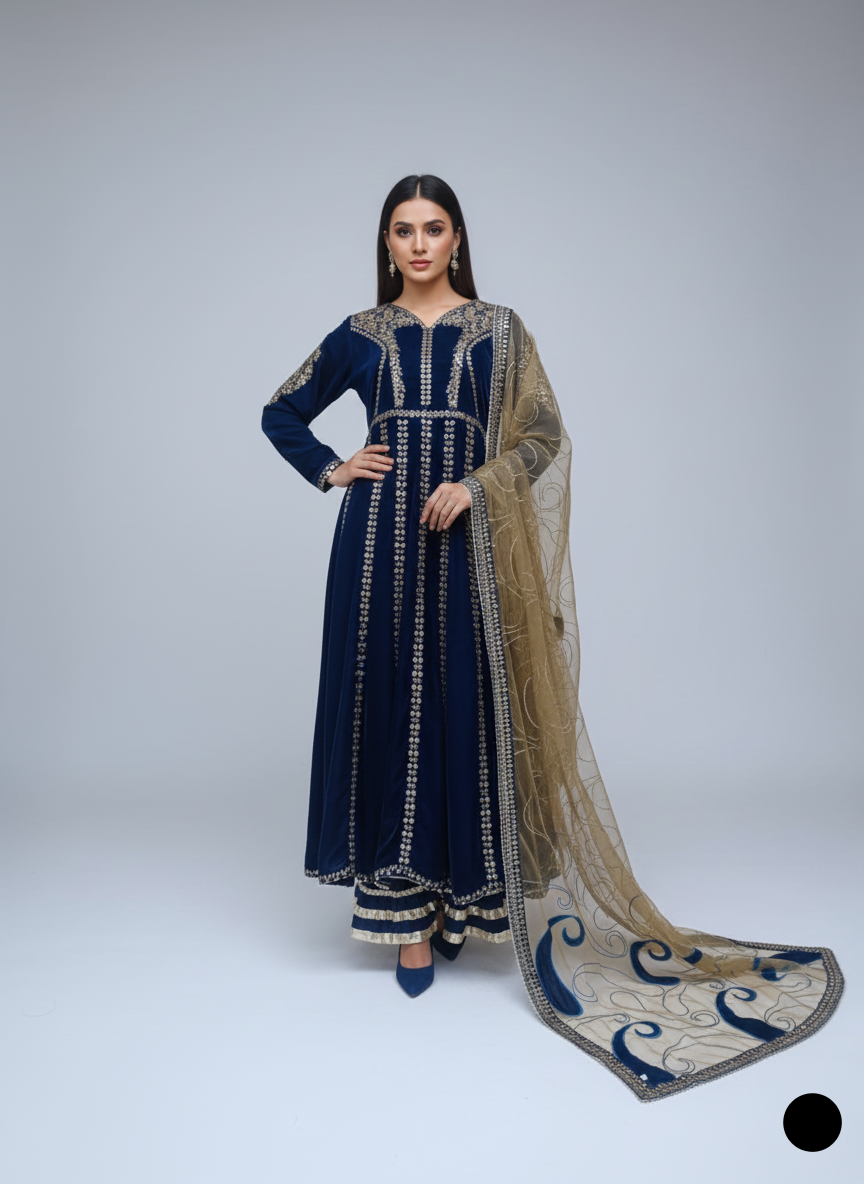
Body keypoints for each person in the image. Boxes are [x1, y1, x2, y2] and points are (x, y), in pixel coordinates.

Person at [262, 175, 843, 1099]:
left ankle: (460, 900)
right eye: (403, 231)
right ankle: (405, 918)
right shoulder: (360, 335)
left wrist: (476, 485)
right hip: (377, 550)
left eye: (434, 228)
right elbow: (279, 411)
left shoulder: (501, 331)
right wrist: (333, 468)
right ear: (387, 243)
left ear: (458, 238)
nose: (419, 245)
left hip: (468, 551)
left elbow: (542, 437)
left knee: (462, 707)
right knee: (389, 706)